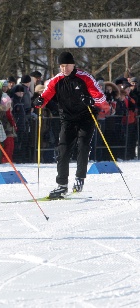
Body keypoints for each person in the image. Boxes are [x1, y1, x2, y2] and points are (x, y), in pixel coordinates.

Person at [34, 51, 109, 199]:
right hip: (67, 119)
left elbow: (100, 97)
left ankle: (79, 178)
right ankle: (61, 185)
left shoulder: (85, 78)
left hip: (86, 117)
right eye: (61, 66)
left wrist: (92, 101)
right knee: (63, 149)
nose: (64, 69)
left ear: (73, 64)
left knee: (83, 145)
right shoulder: (56, 80)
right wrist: (40, 101)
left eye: (67, 65)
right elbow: (46, 95)